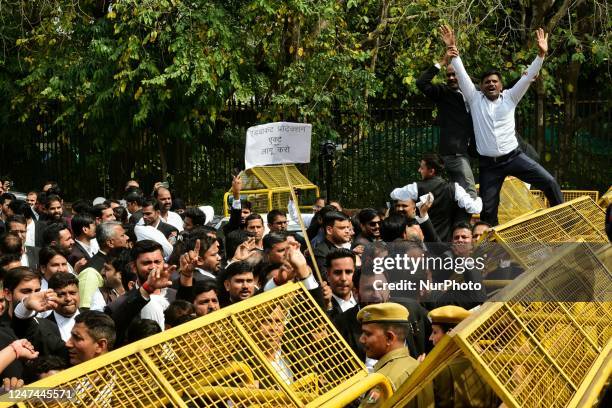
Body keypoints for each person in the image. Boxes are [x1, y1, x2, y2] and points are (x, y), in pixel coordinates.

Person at [442, 25, 563, 225]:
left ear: (501, 85)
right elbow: (462, 74)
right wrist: (453, 49)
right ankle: (492, 247)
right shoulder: (474, 99)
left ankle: (562, 219)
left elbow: (526, 79)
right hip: (489, 165)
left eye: (495, 81)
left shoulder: (511, 97)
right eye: (487, 82)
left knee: (549, 182)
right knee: (488, 210)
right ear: (480, 86)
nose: (491, 84)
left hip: (514, 157)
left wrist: (540, 56)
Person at [416, 50, 477, 198]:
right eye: (448, 75)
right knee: (470, 192)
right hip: (454, 154)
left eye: (454, 74)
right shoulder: (443, 92)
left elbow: (501, 90)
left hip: (468, 152)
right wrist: (442, 62)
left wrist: (526, 78)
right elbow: (421, 83)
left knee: (457, 193)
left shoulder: (473, 91)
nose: (451, 78)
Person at [390, 154, 482, 241]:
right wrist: (478, 199)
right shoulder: (454, 188)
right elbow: (475, 208)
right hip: (447, 242)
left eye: (422, 168)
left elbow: (394, 194)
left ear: (431, 171)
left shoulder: (416, 188)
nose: (419, 170)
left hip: (425, 243)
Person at [357, 302, 433, 407]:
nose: (361, 339)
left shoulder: (384, 381)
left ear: (389, 337)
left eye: (368, 334)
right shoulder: (415, 365)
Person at [428, 305, 499, 407]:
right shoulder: (492, 362)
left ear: (451, 334)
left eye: (435, 332)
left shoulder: (441, 370)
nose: (431, 338)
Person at [312, 211, 353, 278]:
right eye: (342, 228)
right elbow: (328, 278)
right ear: (329, 230)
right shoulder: (321, 252)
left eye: (348, 227)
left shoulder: (351, 246)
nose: (347, 231)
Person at [46, 272, 80, 342]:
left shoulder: (95, 320)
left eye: (72, 293)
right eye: (61, 294)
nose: (68, 298)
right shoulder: (44, 328)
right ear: (51, 296)